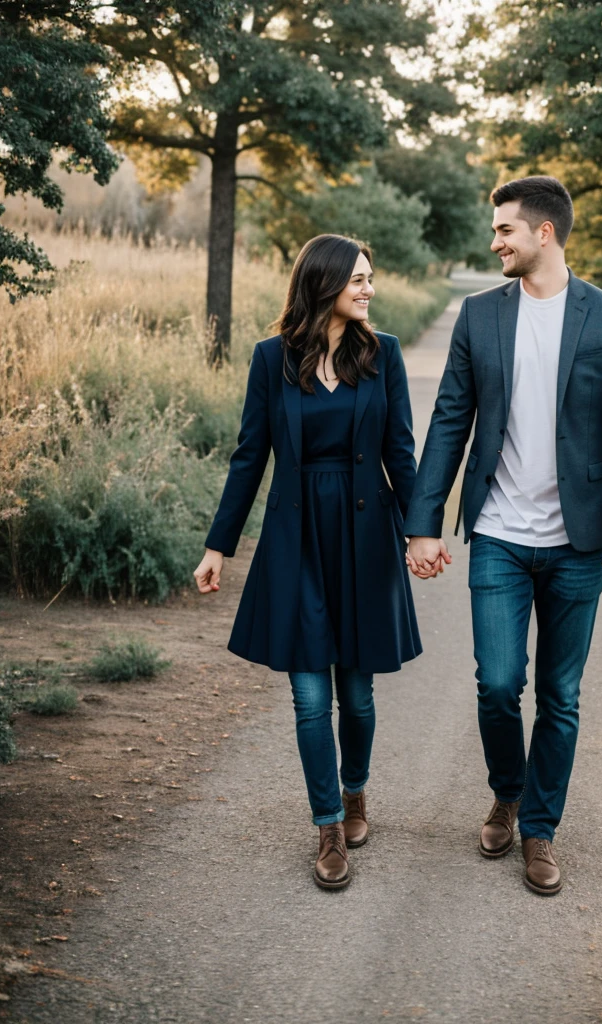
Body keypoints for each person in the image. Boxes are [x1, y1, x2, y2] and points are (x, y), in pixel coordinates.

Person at [405, 176, 602, 895]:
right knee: (498, 683)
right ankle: (507, 792)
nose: (495, 242)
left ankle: (540, 829)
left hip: (579, 542)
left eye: (505, 230)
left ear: (544, 233)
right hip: (501, 533)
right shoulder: (479, 315)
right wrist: (423, 525)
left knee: (561, 694)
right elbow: (450, 420)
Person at [194, 234, 424, 890]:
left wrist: (419, 534)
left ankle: (355, 793)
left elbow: (400, 454)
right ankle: (327, 826)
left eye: (370, 278)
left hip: (366, 534)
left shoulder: (386, 356)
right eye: (356, 279)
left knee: (356, 693)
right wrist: (219, 546)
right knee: (307, 694)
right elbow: (249, 456)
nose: (368, 289)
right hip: (295, 539)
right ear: (322, 283)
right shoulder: (272, 360)